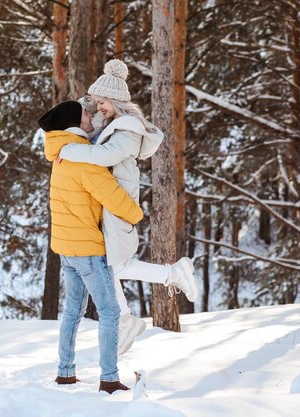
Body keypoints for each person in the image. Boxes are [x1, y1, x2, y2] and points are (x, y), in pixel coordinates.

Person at [59, 60, 199, 355]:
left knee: (115, 265)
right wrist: (89, 103)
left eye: (103, 102)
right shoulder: (111, 124)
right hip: (107, 205)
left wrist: (70, 151)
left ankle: (172, 276)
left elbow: (105, 155)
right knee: (109, 265)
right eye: (96, 102)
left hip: (119, 205)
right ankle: (127, 319)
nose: (98, 107)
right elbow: (87, 114)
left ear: (117, 101)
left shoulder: (128, 130)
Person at [39, 100, 140, 394]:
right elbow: (114, 197)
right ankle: (109, 379)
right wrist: (137, 215)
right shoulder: (83, 160)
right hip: (88, 249)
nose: (90, 116)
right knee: (109, 312)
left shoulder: (60, 154)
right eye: (85, 113)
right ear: (73, 122)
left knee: (72, 311)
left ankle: (65, 372)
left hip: (67, 247)